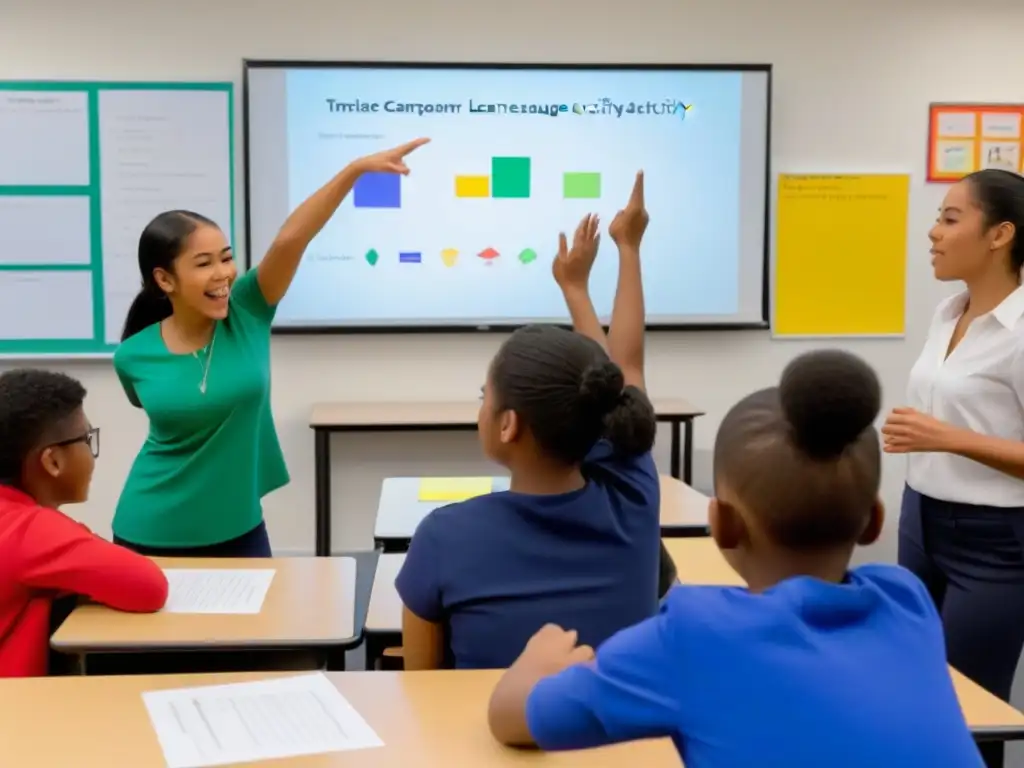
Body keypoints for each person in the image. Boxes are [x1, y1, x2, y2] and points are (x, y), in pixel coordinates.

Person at [488, 349, 983, 767]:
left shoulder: (695, 634)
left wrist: (535, 663)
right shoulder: (906, 600)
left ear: (720, 525)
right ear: (874, 522)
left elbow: (514, 718)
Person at [395, 172, 664, 670]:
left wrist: (579, 284)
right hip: (625, 745)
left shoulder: (444, 535)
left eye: (485, 397)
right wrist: (620, 256)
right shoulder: (634, 497)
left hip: (497, 744)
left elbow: (423, 693)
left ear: (508, 425)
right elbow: (624, 370)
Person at [112, 138, 429, 557]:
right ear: (165, 280)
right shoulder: (132, 356)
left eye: (226, 258)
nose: (223, 273)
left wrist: (354, 171)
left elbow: (290, 240)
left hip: (239, 528)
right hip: (149, 529)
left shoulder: (247, 311)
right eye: (203, 263)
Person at [882, 168, 1024, 768]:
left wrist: (949, 437)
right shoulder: (948, 312)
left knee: (970, 711)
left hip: (996, 542)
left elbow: (954, 435)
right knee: (915, 693)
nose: (933, 233)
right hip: (922, 520)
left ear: (1000, 235)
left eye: (949, 218)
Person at [0, 369, 168, 677]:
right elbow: (149, 587)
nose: (92, 453)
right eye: (86, 439)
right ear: (53, 461)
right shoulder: (30, 531)